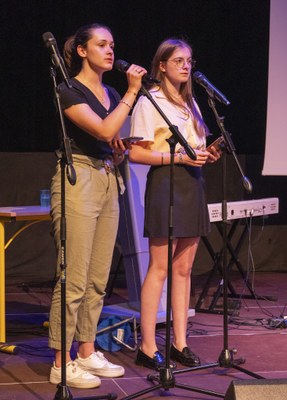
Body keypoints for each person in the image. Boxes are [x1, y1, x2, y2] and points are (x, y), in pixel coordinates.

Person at [48, 23, 146, 389]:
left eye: (113, 44)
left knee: (97, 277)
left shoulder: (109, 91)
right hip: (79, 178)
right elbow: (104, 131)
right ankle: (62, 361)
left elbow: (112, 140)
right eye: (101, 44)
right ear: (82, 51)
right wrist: (132, 94)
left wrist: (121, 148)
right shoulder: (68, 89)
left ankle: (87, 350)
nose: (110, 50)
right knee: (73, 276)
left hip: (107, 177)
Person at [128, 38, 221, 370]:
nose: (186, 65)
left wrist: (207, 154)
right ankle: (147, 344)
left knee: (184, 270)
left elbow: (196, 147)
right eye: (179, 60)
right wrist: (177, 157)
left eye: (189, 60)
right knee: (161, 267)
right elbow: (135, 152)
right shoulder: (149, 103)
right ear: (162, 65)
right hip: (166, 184)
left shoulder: (190, 104)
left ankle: (181, 343)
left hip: (193, 185)